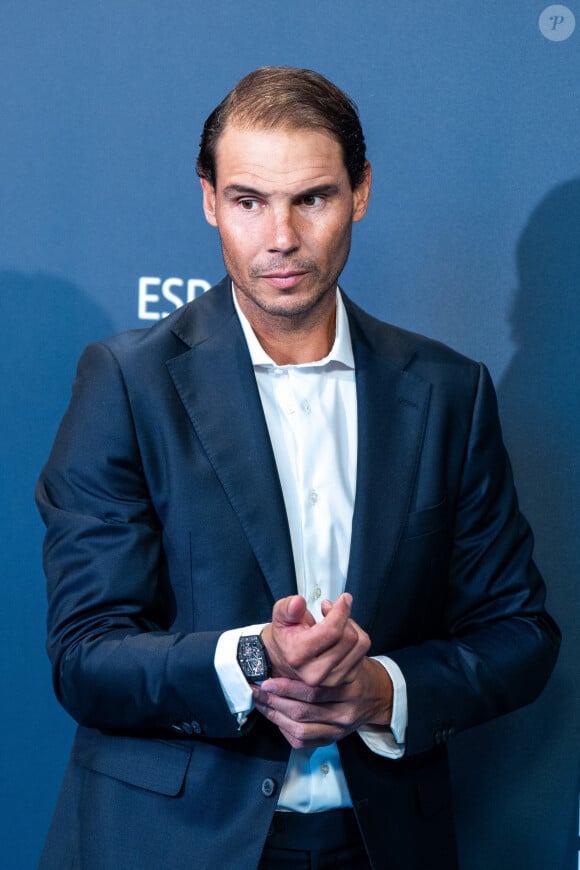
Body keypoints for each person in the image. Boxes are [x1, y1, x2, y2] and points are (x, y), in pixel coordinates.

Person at [36, 67, 560, 870]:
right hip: (169, 846)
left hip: (381, 845)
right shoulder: (126, 383)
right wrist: (256, 660)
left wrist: (381, 692)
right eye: (249, 201)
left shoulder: (449, 391)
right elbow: (86, 654)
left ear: (360, 192)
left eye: (311, 198)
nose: (279, 236)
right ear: (210, 200)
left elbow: (520, 634)